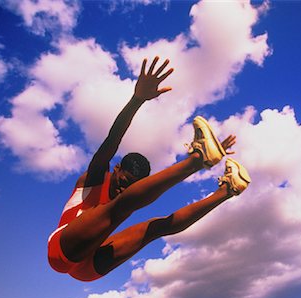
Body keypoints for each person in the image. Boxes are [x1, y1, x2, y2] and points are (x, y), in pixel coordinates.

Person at [47, 57, 251, 282]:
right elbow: (112, 141)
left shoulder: (128, 195)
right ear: (115, 170)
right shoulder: (93, 178)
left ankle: (228, 189)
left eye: (131, 185)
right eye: (123, 181)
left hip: (89, 265)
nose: (123, 187)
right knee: (122, 206)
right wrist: (137, 99)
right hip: (62, 249)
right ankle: (199, 159)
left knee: (154, 229)